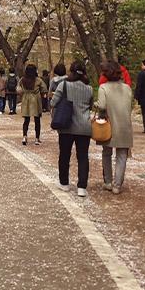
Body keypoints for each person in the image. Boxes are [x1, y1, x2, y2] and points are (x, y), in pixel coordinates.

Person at [51, 60, 94, 197]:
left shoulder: (64, 85)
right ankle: (82, 186)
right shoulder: (89, 88)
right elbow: (90, 106)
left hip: (66, 125)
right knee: (82, 156)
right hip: (84, 127)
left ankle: (64, 183)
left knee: (64, 155)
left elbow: (53, 103)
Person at [95, 61, 135, 194]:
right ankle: (117, 185)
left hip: (109, 125)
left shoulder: (103, 88)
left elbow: (101, 106)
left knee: (107, 152)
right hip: (125, 125)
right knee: (122, 155)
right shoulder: (127, 88)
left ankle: (108, 181)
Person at [17, 64, 46, 145]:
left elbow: (18, 89)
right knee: (37, 120)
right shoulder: (38, 80)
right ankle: (37, 138)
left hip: (26, 99)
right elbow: (44, 88)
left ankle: (24, 136)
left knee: (26, 120)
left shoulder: (22, 79)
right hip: (35, 99)